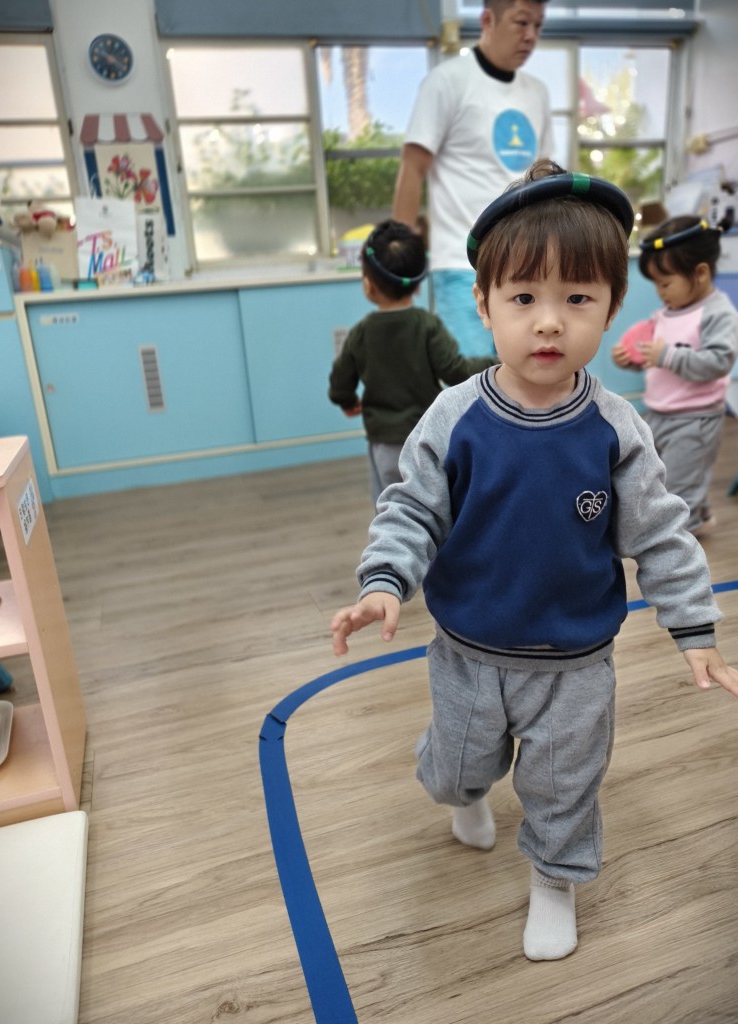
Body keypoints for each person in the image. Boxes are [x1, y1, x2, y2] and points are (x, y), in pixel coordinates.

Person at [330, 161, 738, 962]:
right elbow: (411, 507)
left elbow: (661, 533)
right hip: (468, 651)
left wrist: (695, 628)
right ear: (483, 305)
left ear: (613, 309)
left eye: (577, 299)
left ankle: (555, 881)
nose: (548, 323)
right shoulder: (455, 416)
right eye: (523, 299)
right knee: (454, 770)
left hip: (576, 662)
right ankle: (465, 795)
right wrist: (384, 581)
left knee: (563, 788)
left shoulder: (616, 429)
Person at [392, 0, 553, 359]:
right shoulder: (447, 81)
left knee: (530, 379)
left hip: (528, 264)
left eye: (538, 26)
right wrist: (399, 256)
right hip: (461, 265)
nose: (531, 36)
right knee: (470, 381)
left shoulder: (537, 93)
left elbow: (544, 176)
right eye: (521, 23)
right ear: (487, 20)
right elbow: (413, 166)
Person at [328, 219, 497, 505]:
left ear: (368, 285)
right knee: (433, 504)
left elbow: (340, 380)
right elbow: (456, 370)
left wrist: (346, 400)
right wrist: (497, 361)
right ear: (418, 285)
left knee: (392, 507)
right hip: (427, 438)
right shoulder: (427, 326)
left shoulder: (361, 333)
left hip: (384, 444)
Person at [611, 215, 738, 537]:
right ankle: (699, 515)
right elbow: (656, 360)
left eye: (665, 283)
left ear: (700, 273)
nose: (660, 292)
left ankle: (681, 537)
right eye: (656, 284)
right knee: (661, 476)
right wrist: (632, 360)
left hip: (695, 419)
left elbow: (719, 361)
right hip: (660, 412)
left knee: (681, 485)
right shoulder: (666, 313)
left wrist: (667, 355)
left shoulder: (718, 313)